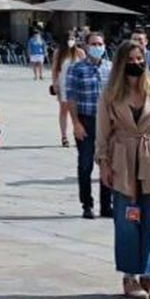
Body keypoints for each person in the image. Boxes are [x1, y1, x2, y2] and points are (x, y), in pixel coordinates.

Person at [96, 39, 150, 299]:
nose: (136, 64)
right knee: (128, 222)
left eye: (139, 59)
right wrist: (104, 164)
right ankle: (130, 277)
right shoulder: (110, 94)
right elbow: (103, 133)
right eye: (130, 61)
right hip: (123, 160)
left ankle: (149, 276)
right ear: (121, 64)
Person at [63, 32, 114, 219]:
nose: (97, 47)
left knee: (107, 162)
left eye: (100, 44)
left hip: (107, 122)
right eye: (93, 44)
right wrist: (75, 123)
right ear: (85, 46)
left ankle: (106, 204)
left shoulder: (111, 68)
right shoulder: (76, 69)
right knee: (85, 164)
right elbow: (71, 97)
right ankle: (87, 204)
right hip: (86, 120)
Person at [50, 40, 83, 147]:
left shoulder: (80, 52)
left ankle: (77, 134)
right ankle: (64, 136)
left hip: (78, 85)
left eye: (72, 38)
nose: (70, 41)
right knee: (64, 110)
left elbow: (85, 67)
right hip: (63, 84)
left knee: (78, 112)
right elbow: (55, 69)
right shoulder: (59, 53)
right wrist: (55, 83)